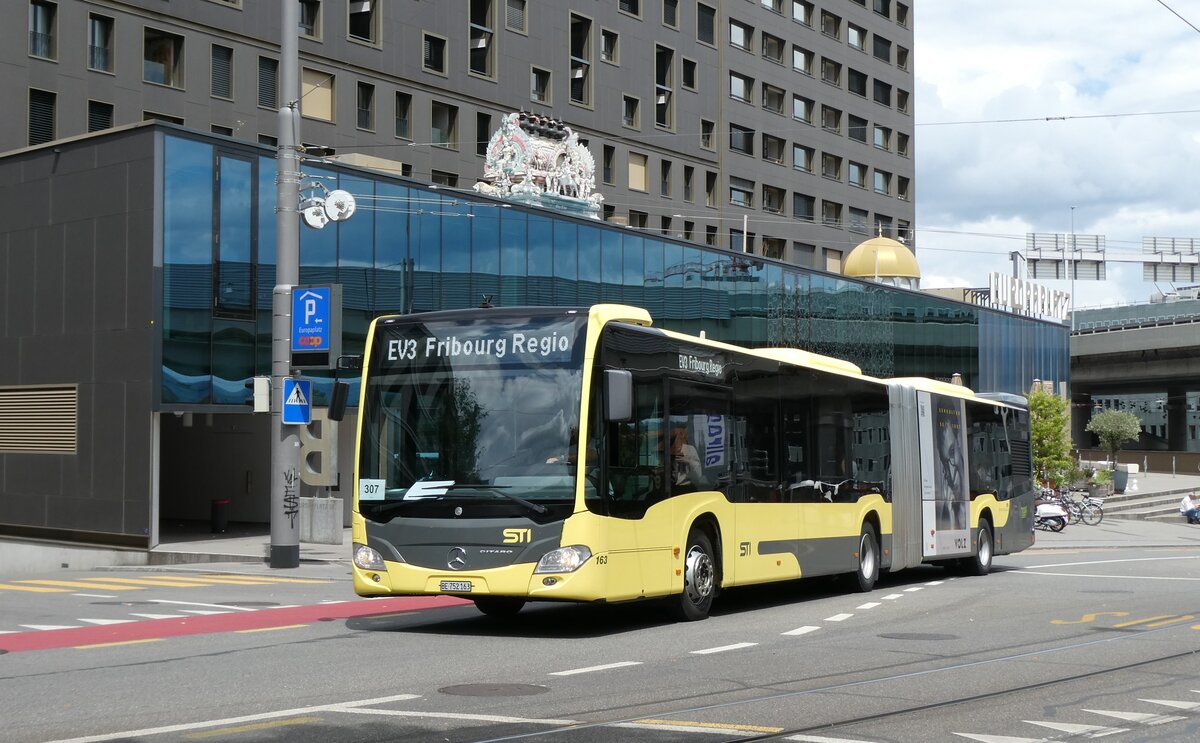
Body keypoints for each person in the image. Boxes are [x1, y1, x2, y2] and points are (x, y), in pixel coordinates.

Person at [670, 424, 703, 489]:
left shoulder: (690, 449)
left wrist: (689, 461)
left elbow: (699, 474)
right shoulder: (667, 449)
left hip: (686, 486)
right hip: (671, 486)